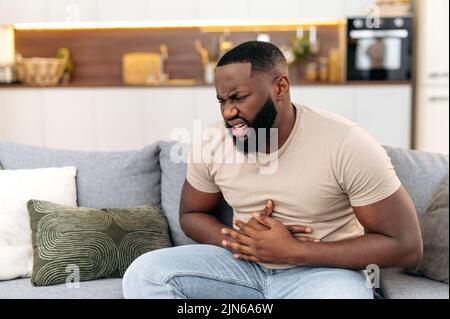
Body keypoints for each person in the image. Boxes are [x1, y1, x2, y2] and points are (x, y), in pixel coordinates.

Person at [122, 41, 422, 299]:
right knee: (145, 274)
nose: (228, 112)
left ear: (280, 87)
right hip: (241, 265)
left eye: (238, 98)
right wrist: (246, 242)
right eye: (222, 101)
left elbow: (406, 245)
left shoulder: (346, 142)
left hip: (323, 273)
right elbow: (191, 215)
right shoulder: (212, 141)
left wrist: (294, 251)